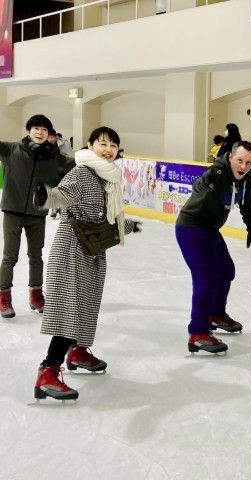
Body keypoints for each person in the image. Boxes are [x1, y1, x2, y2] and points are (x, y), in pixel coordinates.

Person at [32, 127, 142, 401]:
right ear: (90, 145)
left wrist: (127, 225)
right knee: (71, 309)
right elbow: (63, 195)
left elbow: (107, 218)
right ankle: (48, 371)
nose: (108, 149)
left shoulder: (108, 179)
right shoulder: (83, 172)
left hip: (93, 248)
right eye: (102, 143)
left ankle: (78, 350)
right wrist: (47, 197)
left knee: (87, 305)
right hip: (72, 248)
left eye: (113, 145)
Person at [176, 140, 251, 356]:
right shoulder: (217, 172)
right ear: (230, 158)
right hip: (192, 227)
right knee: (206, 278)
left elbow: (248, 205)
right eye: (239, 160)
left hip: (209, 229)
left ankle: (215, 314)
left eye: (248, 162)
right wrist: (207, 182)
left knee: (226, 271)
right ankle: (198, 332)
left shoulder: (245, 176)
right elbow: (200, 184)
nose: (243, 166)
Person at [0, 115, 74, 319]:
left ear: (49, 134)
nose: (39, 132)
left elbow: (78, 166)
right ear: (28, 130)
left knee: (36, 257)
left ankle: (36, 295)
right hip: (13, 212)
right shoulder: (12, 150)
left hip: (37, 215)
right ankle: (4, 297)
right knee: (9, 257)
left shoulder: (55, 158)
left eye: (44, 129)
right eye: (36, 128)